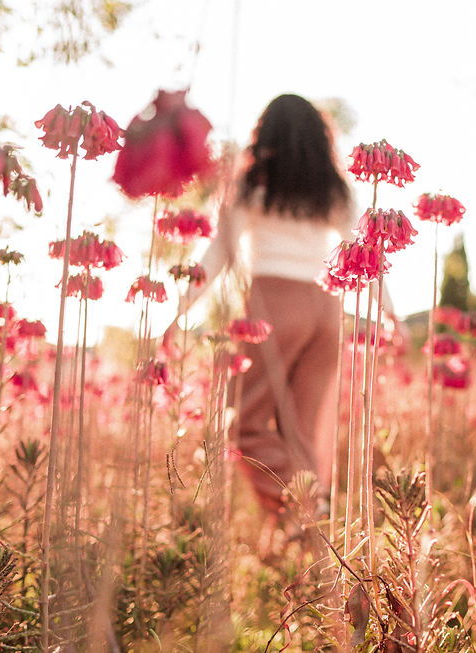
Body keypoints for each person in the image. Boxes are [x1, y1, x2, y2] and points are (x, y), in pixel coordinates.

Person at [164, 93, 393, 521]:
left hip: (274, 304)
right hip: (328, 309)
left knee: (245, 427)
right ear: (319, 139)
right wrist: (389, 313)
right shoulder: (334, 189)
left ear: (264, 133)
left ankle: (302, 510)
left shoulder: (251, 184)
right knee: (304, 434)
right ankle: (313, 531)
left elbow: (219, 256)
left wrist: (178, 312)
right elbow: (366, 252)